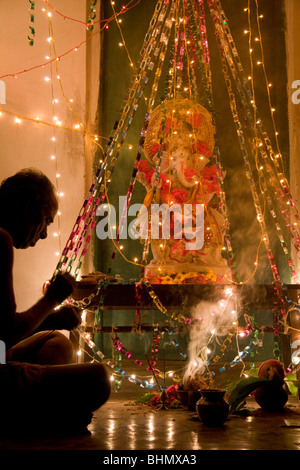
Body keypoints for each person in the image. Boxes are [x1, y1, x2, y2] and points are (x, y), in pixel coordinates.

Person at [0, 168, 110, 433]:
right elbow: (6, 332)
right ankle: (30, 413)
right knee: (98, 378)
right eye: (47, 220)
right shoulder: (0, 239)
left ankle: (43, 404)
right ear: (29, 206)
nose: (45, 234)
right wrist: (51, 299)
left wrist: (54, 318)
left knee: (57, 341)